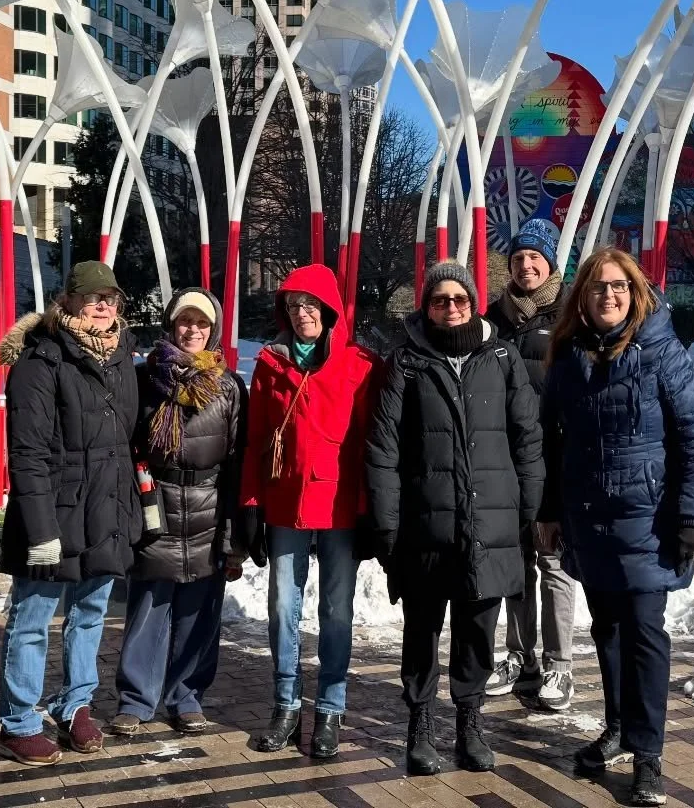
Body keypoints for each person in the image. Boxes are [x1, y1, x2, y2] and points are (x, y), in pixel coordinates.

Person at [540, 248, 694, 808]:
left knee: (644, 634)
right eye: (598, 287)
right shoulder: (568, 356)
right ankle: (617, 728)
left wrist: (692, 515)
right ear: (583, 298)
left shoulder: (663, 353)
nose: (609, 296)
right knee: (608, 630)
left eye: (619, 286)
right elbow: (550, 442)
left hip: (650, 520)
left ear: (635, 293)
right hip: (589, 518)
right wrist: (548, 512)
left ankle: (648, 755)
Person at [366, 259, 544, 775]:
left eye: (459, 299)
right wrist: (387, 523)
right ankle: (420, 724)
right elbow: (384, 448)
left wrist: (526, 507)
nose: (450, 308)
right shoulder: (406, 363)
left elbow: (527, 437)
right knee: (422, 630)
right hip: (425, 524)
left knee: (477, 630)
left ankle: (470, 723)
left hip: (490, 522)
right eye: (440, 300)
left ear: (473, 304)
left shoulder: (502, 357)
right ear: (427, 307)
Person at [0, 262, 139, 766]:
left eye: (110, 298)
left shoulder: (121, 357)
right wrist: (39, 529)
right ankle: (18, 722)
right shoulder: (41, 360)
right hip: (53, 513)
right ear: (70, 301)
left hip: (105, 511)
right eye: (93, 297)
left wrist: (131, 510)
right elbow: (27, 452)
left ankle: (75, 704)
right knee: (32, 620)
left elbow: (126, 443)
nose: (102, 306)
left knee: (90, 615)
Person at [238, 264, 378, 760]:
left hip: (341, 504)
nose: (302, 314)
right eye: (293, 305)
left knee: (337, 610)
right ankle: (286, 705)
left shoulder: (361, 365)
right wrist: (251, 503)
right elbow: (256, 438)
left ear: (330, 311)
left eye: (311, 305)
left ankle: (331, 710)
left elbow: (372, 444)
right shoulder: (270, 364)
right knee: (282, 607)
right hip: (285, 500)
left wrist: (371, 510)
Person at [110, 287, 247, 736]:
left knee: (199, 614)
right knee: (149, 609)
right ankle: (136, 699)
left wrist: (234, 536)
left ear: (214, 330)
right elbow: (126, 447)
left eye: (202, 323)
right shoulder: (145, 379)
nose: (193, 330)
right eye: (186, 321)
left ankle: (187, 696)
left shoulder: (228, 386)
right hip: (157, 506)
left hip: (208, 507)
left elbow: (237, 461)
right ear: (172, 324)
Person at [484, 219, 577, 710]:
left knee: (552, 560)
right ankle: (521, 658)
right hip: (505, 460)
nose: (525, 266)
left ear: (551, 263)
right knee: (516, 562)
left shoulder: (569, 315)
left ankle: (560, 664)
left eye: (535, 257)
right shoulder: (494, 318)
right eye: (518, 258)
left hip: (552, 459)